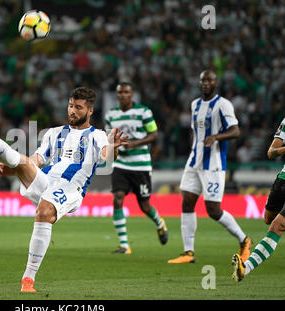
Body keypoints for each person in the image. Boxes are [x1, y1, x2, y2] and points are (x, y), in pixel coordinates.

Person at [0, 87, 128, 292]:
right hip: (47, 180)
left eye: (78, 107)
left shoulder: (98, 135)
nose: (72, 111)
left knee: (43, 211)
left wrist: (114, 146)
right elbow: (36, 160)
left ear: (90, 111)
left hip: (71, 189)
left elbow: (107, 156)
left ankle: (27, 280)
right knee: (22, 161)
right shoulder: (54, 133)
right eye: (70, 106)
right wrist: (15, 168)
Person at [168, 70, 251, 264]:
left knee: (213, 210)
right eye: (203, 80)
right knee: (187, 201)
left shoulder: (223, 105)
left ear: (216, 83)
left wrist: (216, 137)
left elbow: (236, 130)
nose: (206, 83)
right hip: (194, 161)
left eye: (210, 80)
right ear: (199, 83)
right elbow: (195, 133)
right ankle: (188, 252)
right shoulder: (195, 104)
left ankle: (244, 239)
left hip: (213, 164)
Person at [104, 82, 167, 254]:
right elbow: (110, 139)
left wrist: (135, 143)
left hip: (141, 164)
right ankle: (124, 245)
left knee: (144, 206)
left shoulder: (144, 112)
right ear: (117, 95)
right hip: (121, 164)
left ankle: (160, 223)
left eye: (126, 92)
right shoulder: (111, 115)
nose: (123, 95)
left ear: (132, 95)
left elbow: (154, 134)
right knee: (117, 198)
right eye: (120, 92)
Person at [232, 117, 285, 281]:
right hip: (283, 180)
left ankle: (245, 268)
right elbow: (271, 152)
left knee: (277, 225)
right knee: (268, 219)